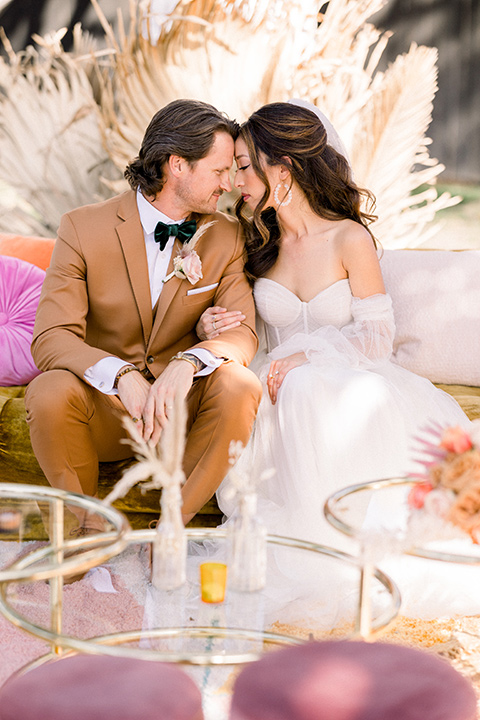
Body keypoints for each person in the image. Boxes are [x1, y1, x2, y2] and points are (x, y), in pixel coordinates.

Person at [197, 100, 471, 551]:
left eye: (244, 167)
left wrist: (308, 355)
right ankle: (302, 538)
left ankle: (331, 540)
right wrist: (214, 323)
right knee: (288, 387)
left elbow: (377, 335)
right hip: (273, 386)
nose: (235, 182)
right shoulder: (256, 242)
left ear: (282, 168)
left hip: (346, 380)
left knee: (306, 385)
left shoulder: (348, 238)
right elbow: (246, 325)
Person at [25, 98, 262, 533]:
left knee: (239, 384)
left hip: (182, 409)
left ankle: (171, 527)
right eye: (219, 170)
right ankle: (88, 532)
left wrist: (187, 363)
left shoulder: (226, 235)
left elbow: (243, 332)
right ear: (177, 165)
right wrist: (120, 376)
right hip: (107, 409)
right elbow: (51, 338)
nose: (230, 184)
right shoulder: (82, 228)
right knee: (49, 391)